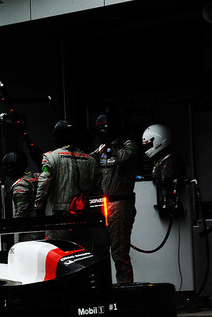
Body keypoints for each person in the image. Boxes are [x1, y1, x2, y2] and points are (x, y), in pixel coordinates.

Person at [34, 120, 102, 247]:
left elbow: (44, 185)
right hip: (84, 219)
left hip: (61, 220)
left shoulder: (51, 158)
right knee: (84, 255)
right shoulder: (91, 161)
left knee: (58, 256)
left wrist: (39, 209)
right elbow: (98, 192)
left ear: (57, 137)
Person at [93, 115, 138, 283]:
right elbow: (88, 162)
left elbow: (124, 158)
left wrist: (114, 142)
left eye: (106, 127)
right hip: (103, 205)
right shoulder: (101, 150)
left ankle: (127, 290)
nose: (103, 131)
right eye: (100, 128)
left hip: (121, 203)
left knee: (119, 253)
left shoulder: (129, 146)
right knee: (100, 253)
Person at [142, 124, 186, 218]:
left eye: (149, 145)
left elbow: (167, 181)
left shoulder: (169, 160)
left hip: (171, 210)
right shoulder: (161, 160)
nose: (147, 149)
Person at [4, 151, 43, 241]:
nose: (8, 172)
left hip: (30, 232)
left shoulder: (20, 185)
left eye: (9, 168)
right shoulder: (36, 177)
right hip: (41, 227)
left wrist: (10, 228)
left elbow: (22, 211)